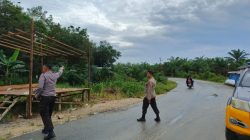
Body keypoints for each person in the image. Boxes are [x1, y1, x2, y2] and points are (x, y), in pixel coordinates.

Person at [36, 64, 64, 140]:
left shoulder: (43, 75)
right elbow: (60, 73)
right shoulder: (54, 75)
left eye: (42, 67)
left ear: (46, 68)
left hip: (45, 97)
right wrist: (61, 68)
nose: (42, 69)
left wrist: (36, 95)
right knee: (48, 114)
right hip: (53, 97)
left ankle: (51, 132)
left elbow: (40, 87)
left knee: (44, 114)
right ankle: (46, 129)